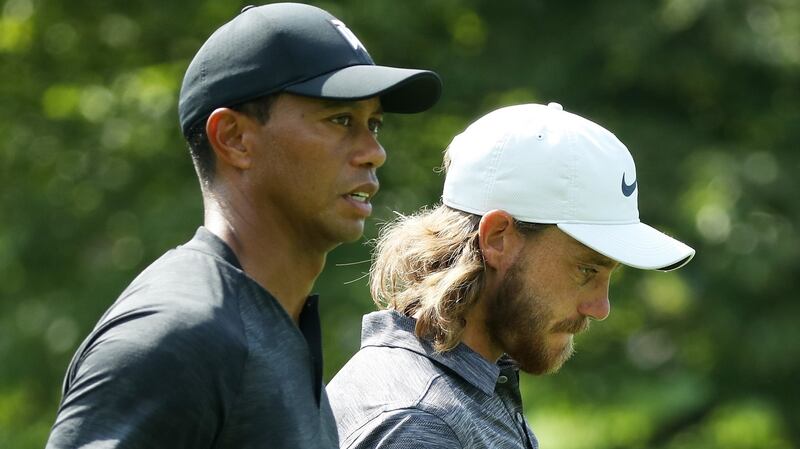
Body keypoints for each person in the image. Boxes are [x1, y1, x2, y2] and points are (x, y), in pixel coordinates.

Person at [46, 3, 441, 448]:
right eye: (341, 120)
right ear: (234, 139)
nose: (374, 151)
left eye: (375, 124)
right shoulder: (178, 334)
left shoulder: (277, 326)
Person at [326, 102, 695, 448]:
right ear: (498, 238)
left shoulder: (466, 389)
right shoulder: (422, 424)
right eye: (587, 269)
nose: (600, 307)